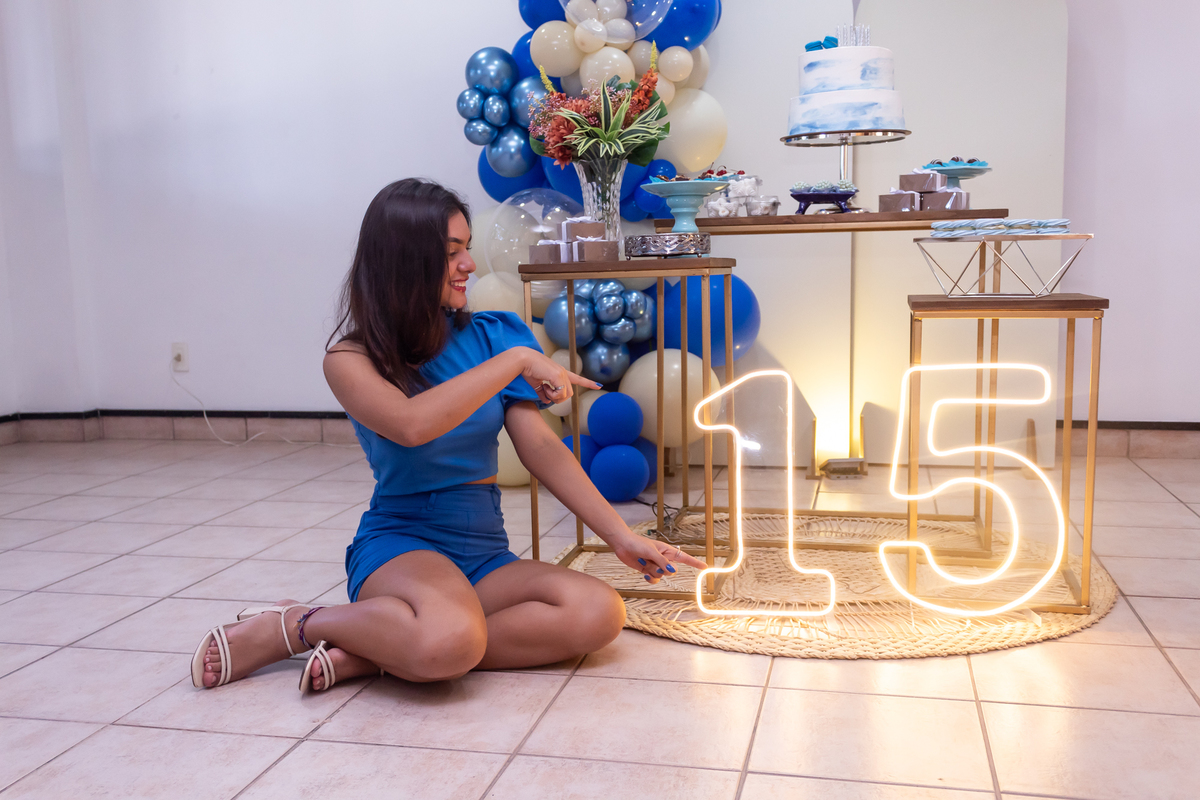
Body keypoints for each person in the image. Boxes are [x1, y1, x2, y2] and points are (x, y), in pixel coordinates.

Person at [191, 178, 706, 692]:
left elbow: (541, 448)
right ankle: (297, 624)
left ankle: (382, 652)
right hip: (404, 543)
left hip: (483, 549)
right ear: (404, 262)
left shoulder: (494, 335)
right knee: (452, 639)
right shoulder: (350, 359)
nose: (469, 265)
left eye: (467, 248)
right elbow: (412, 425)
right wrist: (514, 362)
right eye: (451, 252)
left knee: (598, 612)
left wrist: (620, 536)